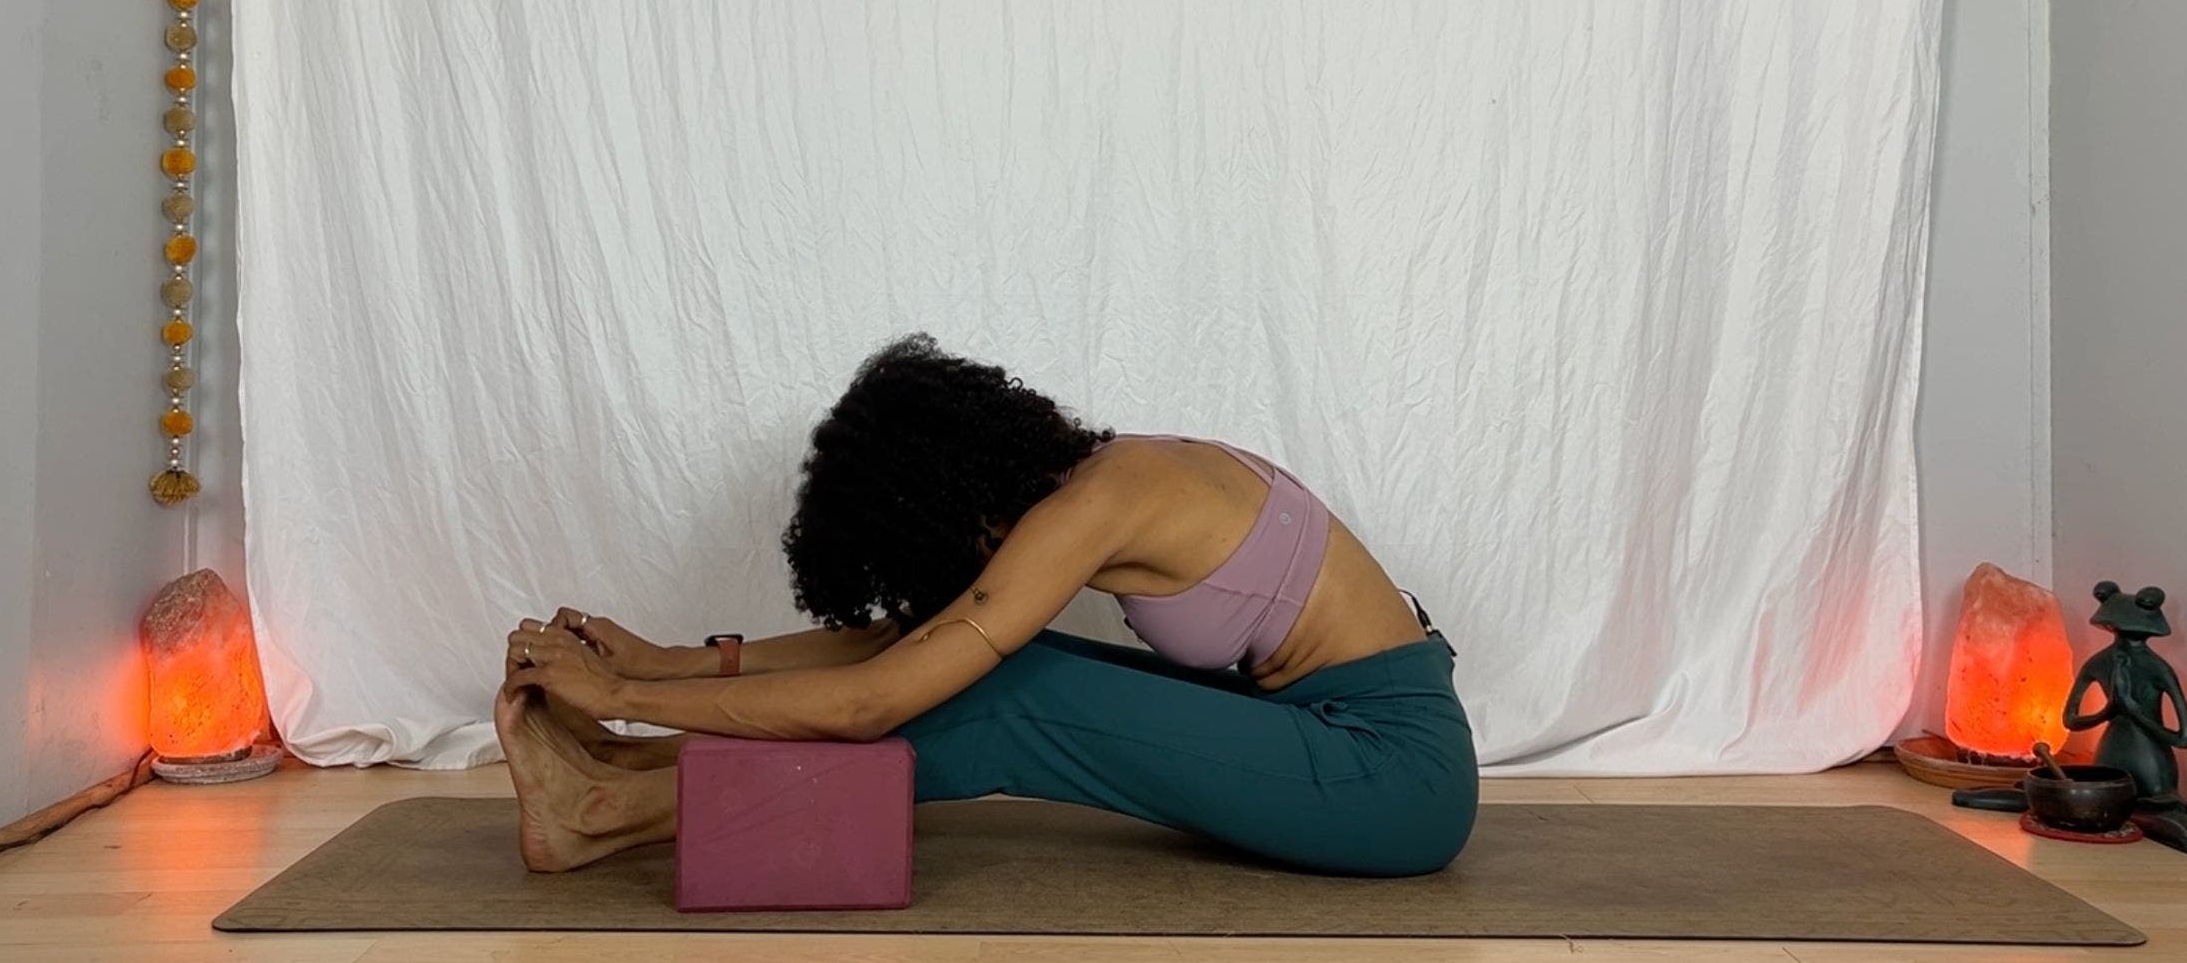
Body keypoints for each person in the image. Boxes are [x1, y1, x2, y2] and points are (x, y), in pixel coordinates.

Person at [499, 334, 1476, 877]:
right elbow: (907, 643)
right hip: (1319, 725)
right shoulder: (1097, 477)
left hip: (1391, 777)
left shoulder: (1092, 505)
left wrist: (619, 688)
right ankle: (628, 772)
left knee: (1009, 696)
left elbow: (873, 699)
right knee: (992, 670)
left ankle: (609, 806)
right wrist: (665, 663)